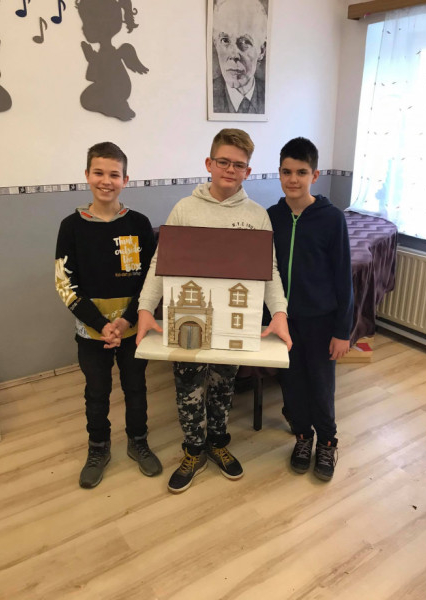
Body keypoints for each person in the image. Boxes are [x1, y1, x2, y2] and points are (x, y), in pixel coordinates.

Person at [137, 128, 291, 494]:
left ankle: (218, 442)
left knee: (223, 386)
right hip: (189, 315)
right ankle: (193, 450)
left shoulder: (256, 216)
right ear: (209, 163)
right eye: (223, 162)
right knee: (188, 386)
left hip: (233, 322)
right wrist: (145, 308)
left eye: (238, 165)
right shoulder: (185, 209)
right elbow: (161, 262)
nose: (230, 170)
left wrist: (280, 313)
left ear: (247, 171)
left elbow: (269, 270)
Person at [55, 141, 162, 489]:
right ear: (87, 175)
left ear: (125, 179)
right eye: (99, 173)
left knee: (136, 388)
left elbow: (152, 279)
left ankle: (138, 441)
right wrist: (102, 325)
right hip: (92, 332)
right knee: (97, 392)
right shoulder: (71, 226)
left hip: (132, 329)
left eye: (114, 174)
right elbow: (64, 283)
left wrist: (127, 320)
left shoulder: (139, 224)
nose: (106, 181)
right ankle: (98, 447)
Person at [267, 137, 354, 481]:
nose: (293, 179)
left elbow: (344, 278)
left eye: (301, 172)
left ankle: (328, 441)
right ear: (279, 173)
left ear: (314, 175)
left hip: (321, 321)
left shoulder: (332, 219)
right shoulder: (272, 216)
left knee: (320, 385)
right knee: (292, 384)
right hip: (284, 321)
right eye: (287, 171)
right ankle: (303, 437)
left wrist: (342, 331)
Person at [212, 0, 267, 114]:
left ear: (261, 51)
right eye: (225, 40)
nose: (234, 55)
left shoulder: (272, 96)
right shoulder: (206, 94)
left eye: (245, 42)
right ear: (216, 45)